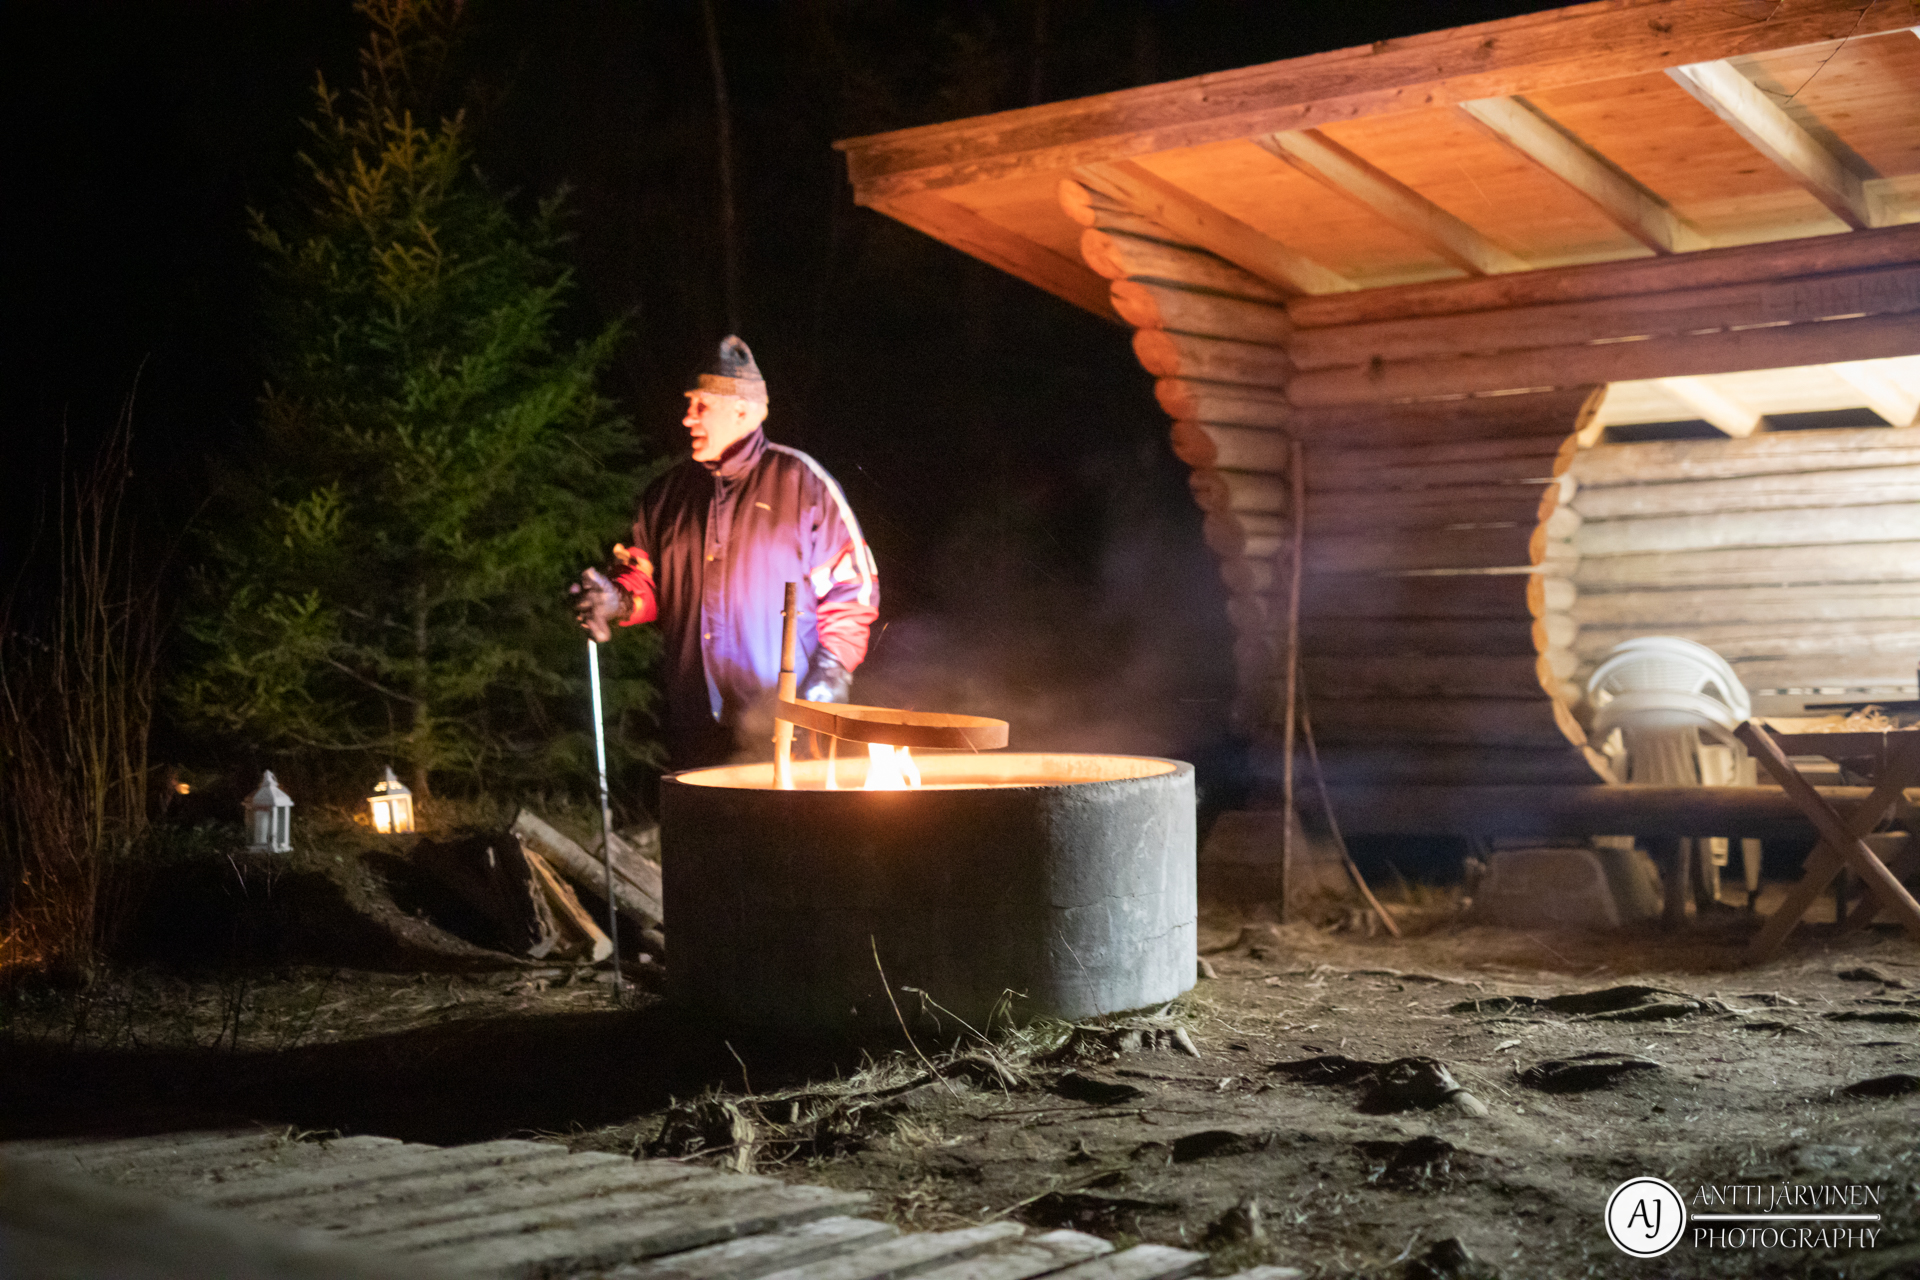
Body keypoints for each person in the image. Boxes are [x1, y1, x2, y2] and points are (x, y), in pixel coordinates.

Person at [574, 336, 878, 769]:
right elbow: (647, 581)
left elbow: (853, 590)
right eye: (688, 404)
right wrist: (616, 599)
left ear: (742, 411)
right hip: (694, 725)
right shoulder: (667, 495)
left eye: (702, 406)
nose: (687, 417)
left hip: (787, 728)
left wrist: (831, 672)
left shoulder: (802, 483)